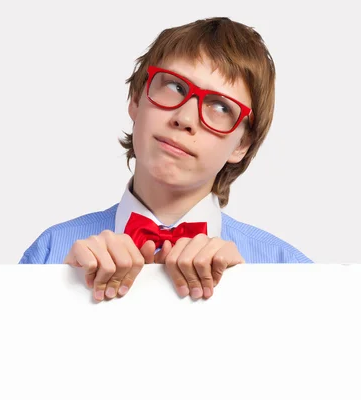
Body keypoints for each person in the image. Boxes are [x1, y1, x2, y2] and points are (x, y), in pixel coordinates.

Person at [20, 17, 312, 301]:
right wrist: (56, 295)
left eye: (221, 107)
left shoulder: (294, 272)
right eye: (175, 87)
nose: (185, 119)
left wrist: (256, 298)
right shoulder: (50, 253)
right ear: (136, 98)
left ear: (242, 144)